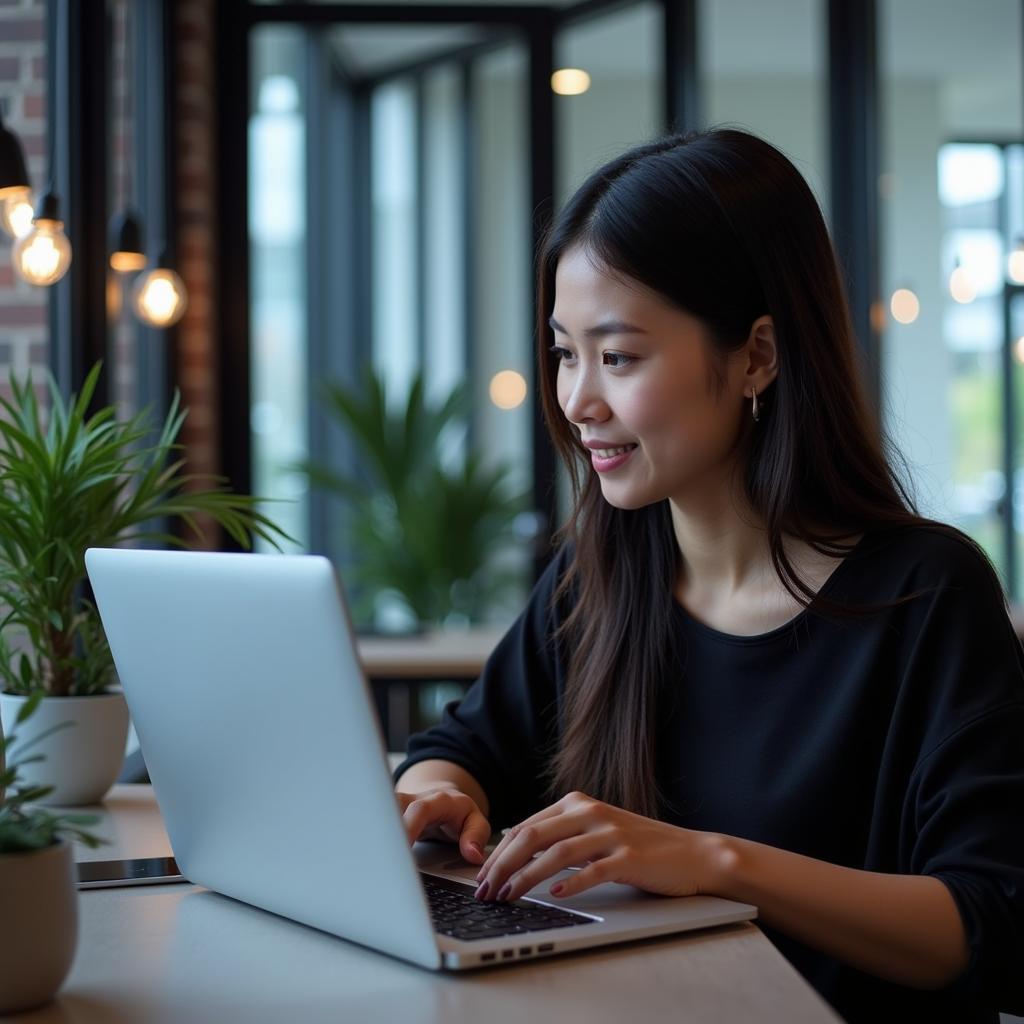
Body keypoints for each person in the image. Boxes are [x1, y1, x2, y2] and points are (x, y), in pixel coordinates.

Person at [390, 126, 1024, 1023]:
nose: (576, 401)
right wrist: (438, 799)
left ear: (758, 356)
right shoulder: (603, 571)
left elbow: (989, 924)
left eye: (618, 356)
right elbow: (455, 751)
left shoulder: (926, 593)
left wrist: (712, 863)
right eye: (565, 351)